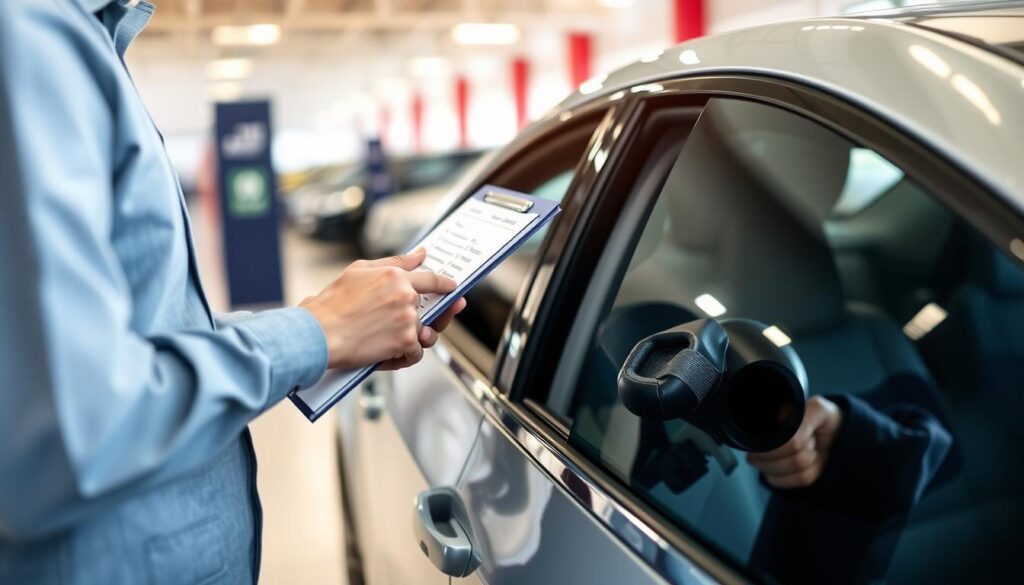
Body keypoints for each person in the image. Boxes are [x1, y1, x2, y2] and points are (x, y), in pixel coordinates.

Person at [0, 1, 463, 583]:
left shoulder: (87, 41)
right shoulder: (29, 38)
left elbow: (142, 339)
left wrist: (328, 325)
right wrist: (315, 333)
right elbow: (65, 436)